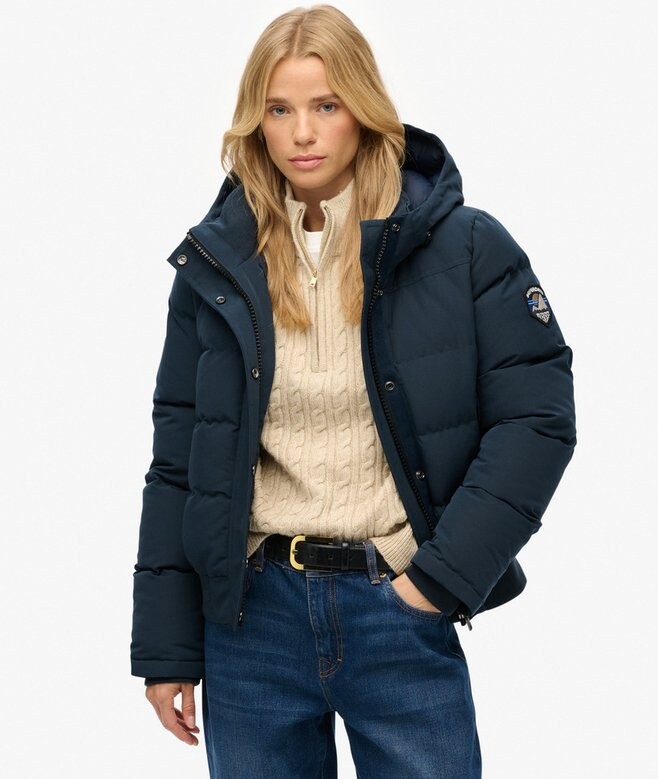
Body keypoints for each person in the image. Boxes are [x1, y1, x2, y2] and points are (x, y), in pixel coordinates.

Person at [130, 5, 577, 777]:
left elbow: (536, 422)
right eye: (279, 109)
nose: (302, 133)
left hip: (397, 609)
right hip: (251, 622)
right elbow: (180, 460)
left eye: (326, 105)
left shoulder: (466, 246)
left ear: (364, 111)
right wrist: (167, 645)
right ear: (255, 123)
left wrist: (436, 582)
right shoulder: (216, 269)